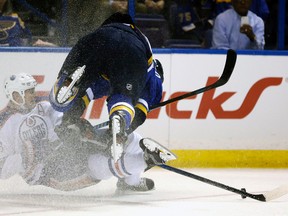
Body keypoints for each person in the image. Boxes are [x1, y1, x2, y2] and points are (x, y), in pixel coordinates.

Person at [1, 72, 174, 193]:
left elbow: (61, 120)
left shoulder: (43, 106)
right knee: (99, 166)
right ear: (15, 95)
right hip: (49, 171)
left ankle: (131, 182)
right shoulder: (6, 124)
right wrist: (27, 157)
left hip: (68, 148)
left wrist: (74, 128)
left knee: (126, 137)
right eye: (28, 92)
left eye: (32, 90)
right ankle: (143, 160)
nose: (33, 94)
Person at [49, 12, 164, 162]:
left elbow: (91, 91)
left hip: (98, 40)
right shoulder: (151, 74)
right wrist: (118, 134)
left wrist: (69, 119)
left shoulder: (104, 29)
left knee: (85, 87)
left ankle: (69, 81)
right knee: (123, 98)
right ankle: (120, 117)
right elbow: (140, 114)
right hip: (131, 50)